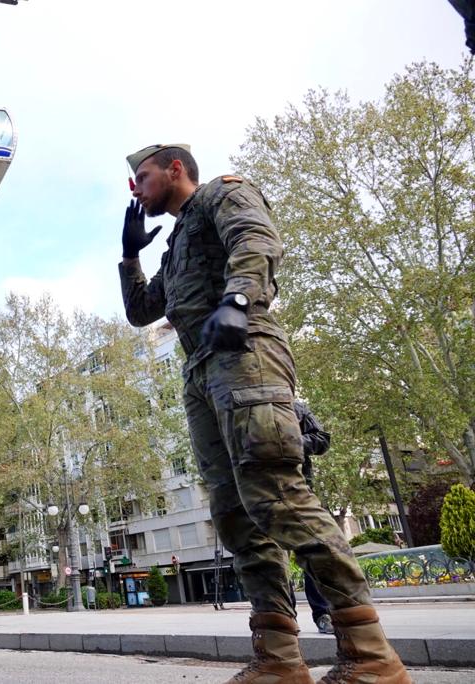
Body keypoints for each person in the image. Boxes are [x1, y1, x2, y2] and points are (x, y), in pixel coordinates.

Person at [119, 143, 409, 684]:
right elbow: (141, 311)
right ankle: (279, 659)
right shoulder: (176, 243)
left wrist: (238, 300)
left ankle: (371, 656)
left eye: (144, 176)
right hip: (201, 371)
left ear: (176, 169)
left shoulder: (221, 195)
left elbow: (255, 239)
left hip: (245, 350)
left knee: (275, 493)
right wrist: (130, 257)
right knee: (235, 513)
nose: (136, 189)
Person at [289, 400, 334, 635]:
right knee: (272, 559)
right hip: (260, 493)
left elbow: (321, 440)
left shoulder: (297, 408)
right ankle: (284, 619)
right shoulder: (246, 408)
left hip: (300, 489)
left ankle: (323, 614)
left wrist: (290, 442)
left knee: (314, 552)